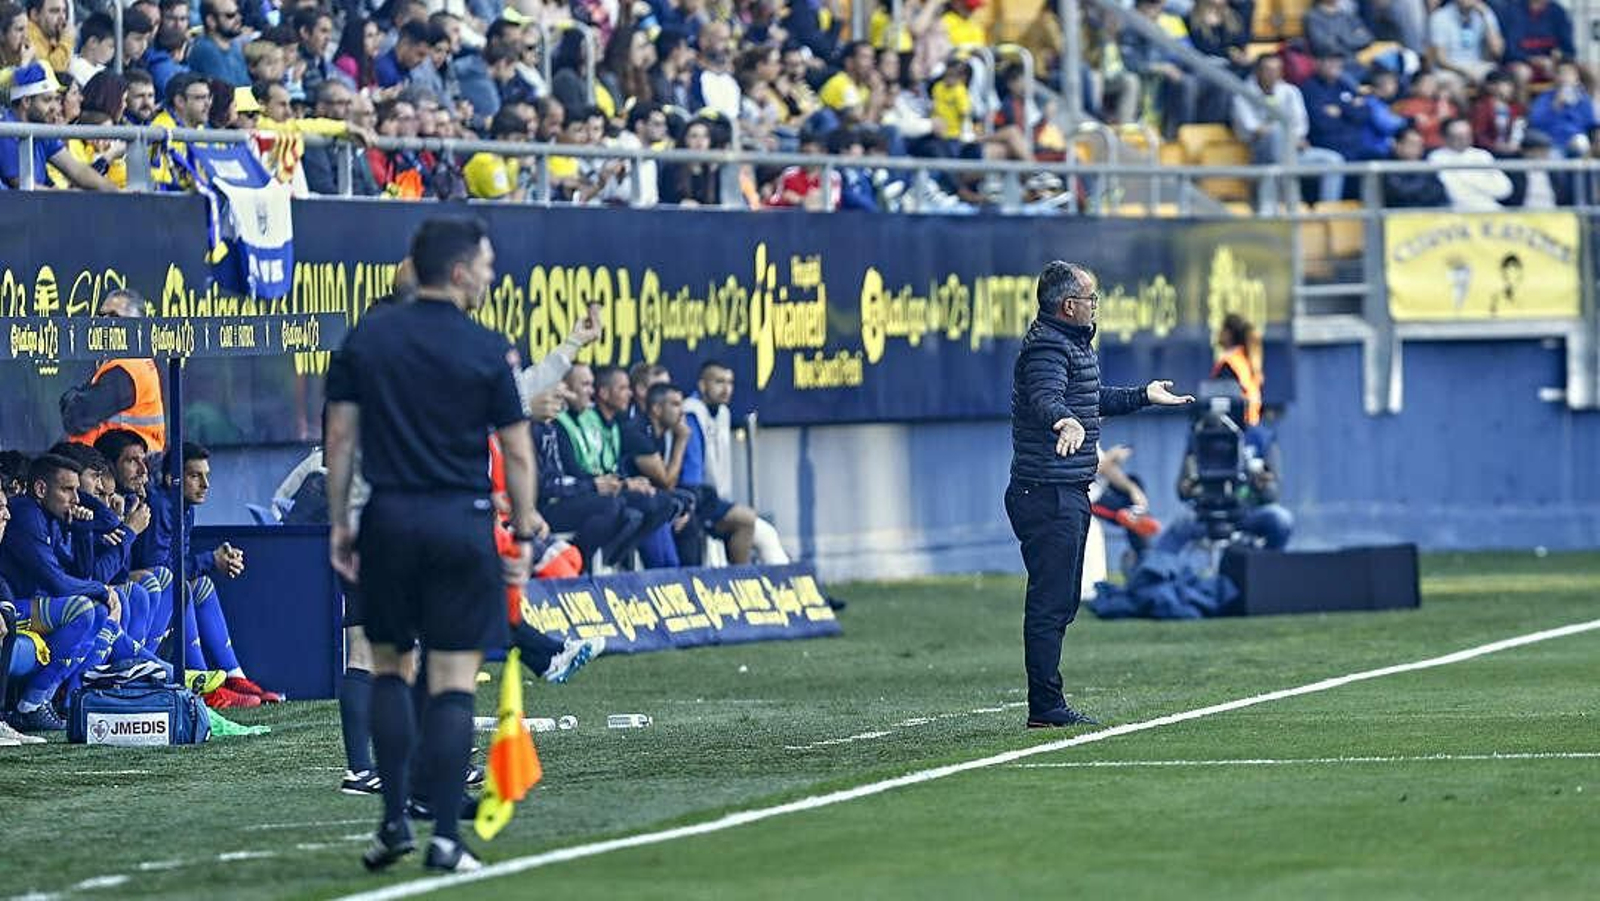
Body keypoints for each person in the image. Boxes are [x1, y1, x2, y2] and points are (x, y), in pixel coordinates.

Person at [326, 216, 548, 873]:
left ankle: (393, 819)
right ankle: (447, 837)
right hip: (461, 521)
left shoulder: (367, 339)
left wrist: (341, 522)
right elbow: (517, 448)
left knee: (389, 666)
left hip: (389, 518)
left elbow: (338, 440)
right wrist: (528, 525)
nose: (490, 275)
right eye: (485, 265)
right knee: (453, 679)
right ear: (456, 271)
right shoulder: (486, 348)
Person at [1005, 261, 1192, 729]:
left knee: (1064, 599)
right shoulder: (1048, 348)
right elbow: (1046, 397)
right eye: (1091, 299)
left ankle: (1046, 701)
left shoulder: (1069, 346)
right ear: (1069, 306)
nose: (1095, 306)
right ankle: (1045, 706)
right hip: (1046, 490)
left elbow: (1092, 399)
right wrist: (1062, 420)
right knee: (1051, 601)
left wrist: (1144, 395)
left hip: (1064, 488)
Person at [61, 289, 168, 452]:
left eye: (114, 317)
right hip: (121, 464)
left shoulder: (126, 369)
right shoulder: (125, 362)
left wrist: (70, 397)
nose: (105, 323)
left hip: (127, 467)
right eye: (102, 316)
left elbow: (77, 417)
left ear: (138, 325)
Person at [1211, 313, 1262, 427]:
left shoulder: (1229, 364)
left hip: (1235, 428)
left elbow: (1221, 401)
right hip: (1251, 423)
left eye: (1221, 329)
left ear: (1229, 334)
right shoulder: (1245, 360)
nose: (1218, 333)